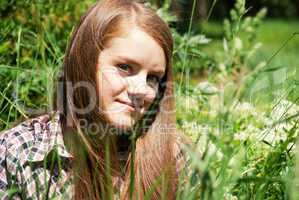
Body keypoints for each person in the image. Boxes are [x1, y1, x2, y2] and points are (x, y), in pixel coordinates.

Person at [0, 0, 192, 199]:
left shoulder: (174, 157)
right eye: (125, 67)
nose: (141, 90)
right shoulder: (20, 154)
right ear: (86, 61)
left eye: (152, 78)